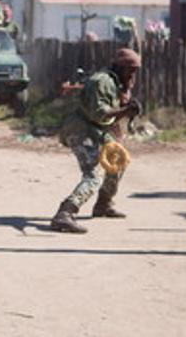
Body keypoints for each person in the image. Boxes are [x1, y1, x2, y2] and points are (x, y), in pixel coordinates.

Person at [51, 48, 143, 234]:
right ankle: (65, 214)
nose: (133, 74)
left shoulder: (119, 85)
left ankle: (103, 204)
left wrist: (126, 107)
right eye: (129, 69)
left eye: (136, 70)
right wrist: (125, 111)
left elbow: (112, 121)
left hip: (97, 130)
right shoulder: (102, 82)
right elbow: (99, 114)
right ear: (118, 67)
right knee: (94, 174)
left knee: (118, 160)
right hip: (80, 130)